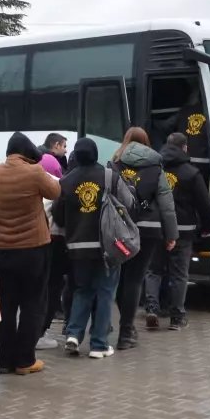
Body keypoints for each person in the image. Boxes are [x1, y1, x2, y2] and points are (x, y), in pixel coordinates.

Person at [0, 132, 61, 375]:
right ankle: (25, 360)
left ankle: (5, 361)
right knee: (32, 305)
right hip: (33, 250)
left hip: (4, 250)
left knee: (7, 308)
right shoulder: (34, 172)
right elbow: (55, 192)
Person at [53, 138, 135, 358]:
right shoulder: (109, 176)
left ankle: (73, 334)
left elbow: (58, 216)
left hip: (77, 247)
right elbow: (128, 203)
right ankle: (99, 345)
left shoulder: (66, 181)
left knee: (82, 290)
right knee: (105, 292)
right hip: (107, 245)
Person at [111, 128, 177, 352]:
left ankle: (127, 328)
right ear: (146, 142)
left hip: (121, 228)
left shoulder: (115, 164)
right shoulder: (156, 168)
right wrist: (171, 235)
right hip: (148, 231)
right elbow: (167, 205)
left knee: (122, 279)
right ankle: (126, 332)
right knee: (135, 279)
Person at [145, 132, 210, 332]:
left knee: (153, 270)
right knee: (179, 274)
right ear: (185, 148)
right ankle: (177, 317)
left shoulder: (154, 169)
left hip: (157, 228)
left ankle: (152, 309)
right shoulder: (191, 173)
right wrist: (206, 228)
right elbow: (204, 204)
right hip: (183, 230)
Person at [38, 153, 67, 351]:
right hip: (55, 240)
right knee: (53, 287)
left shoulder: (28, 183)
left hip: (32, 243)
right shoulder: (58, 185)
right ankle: (40, 333)